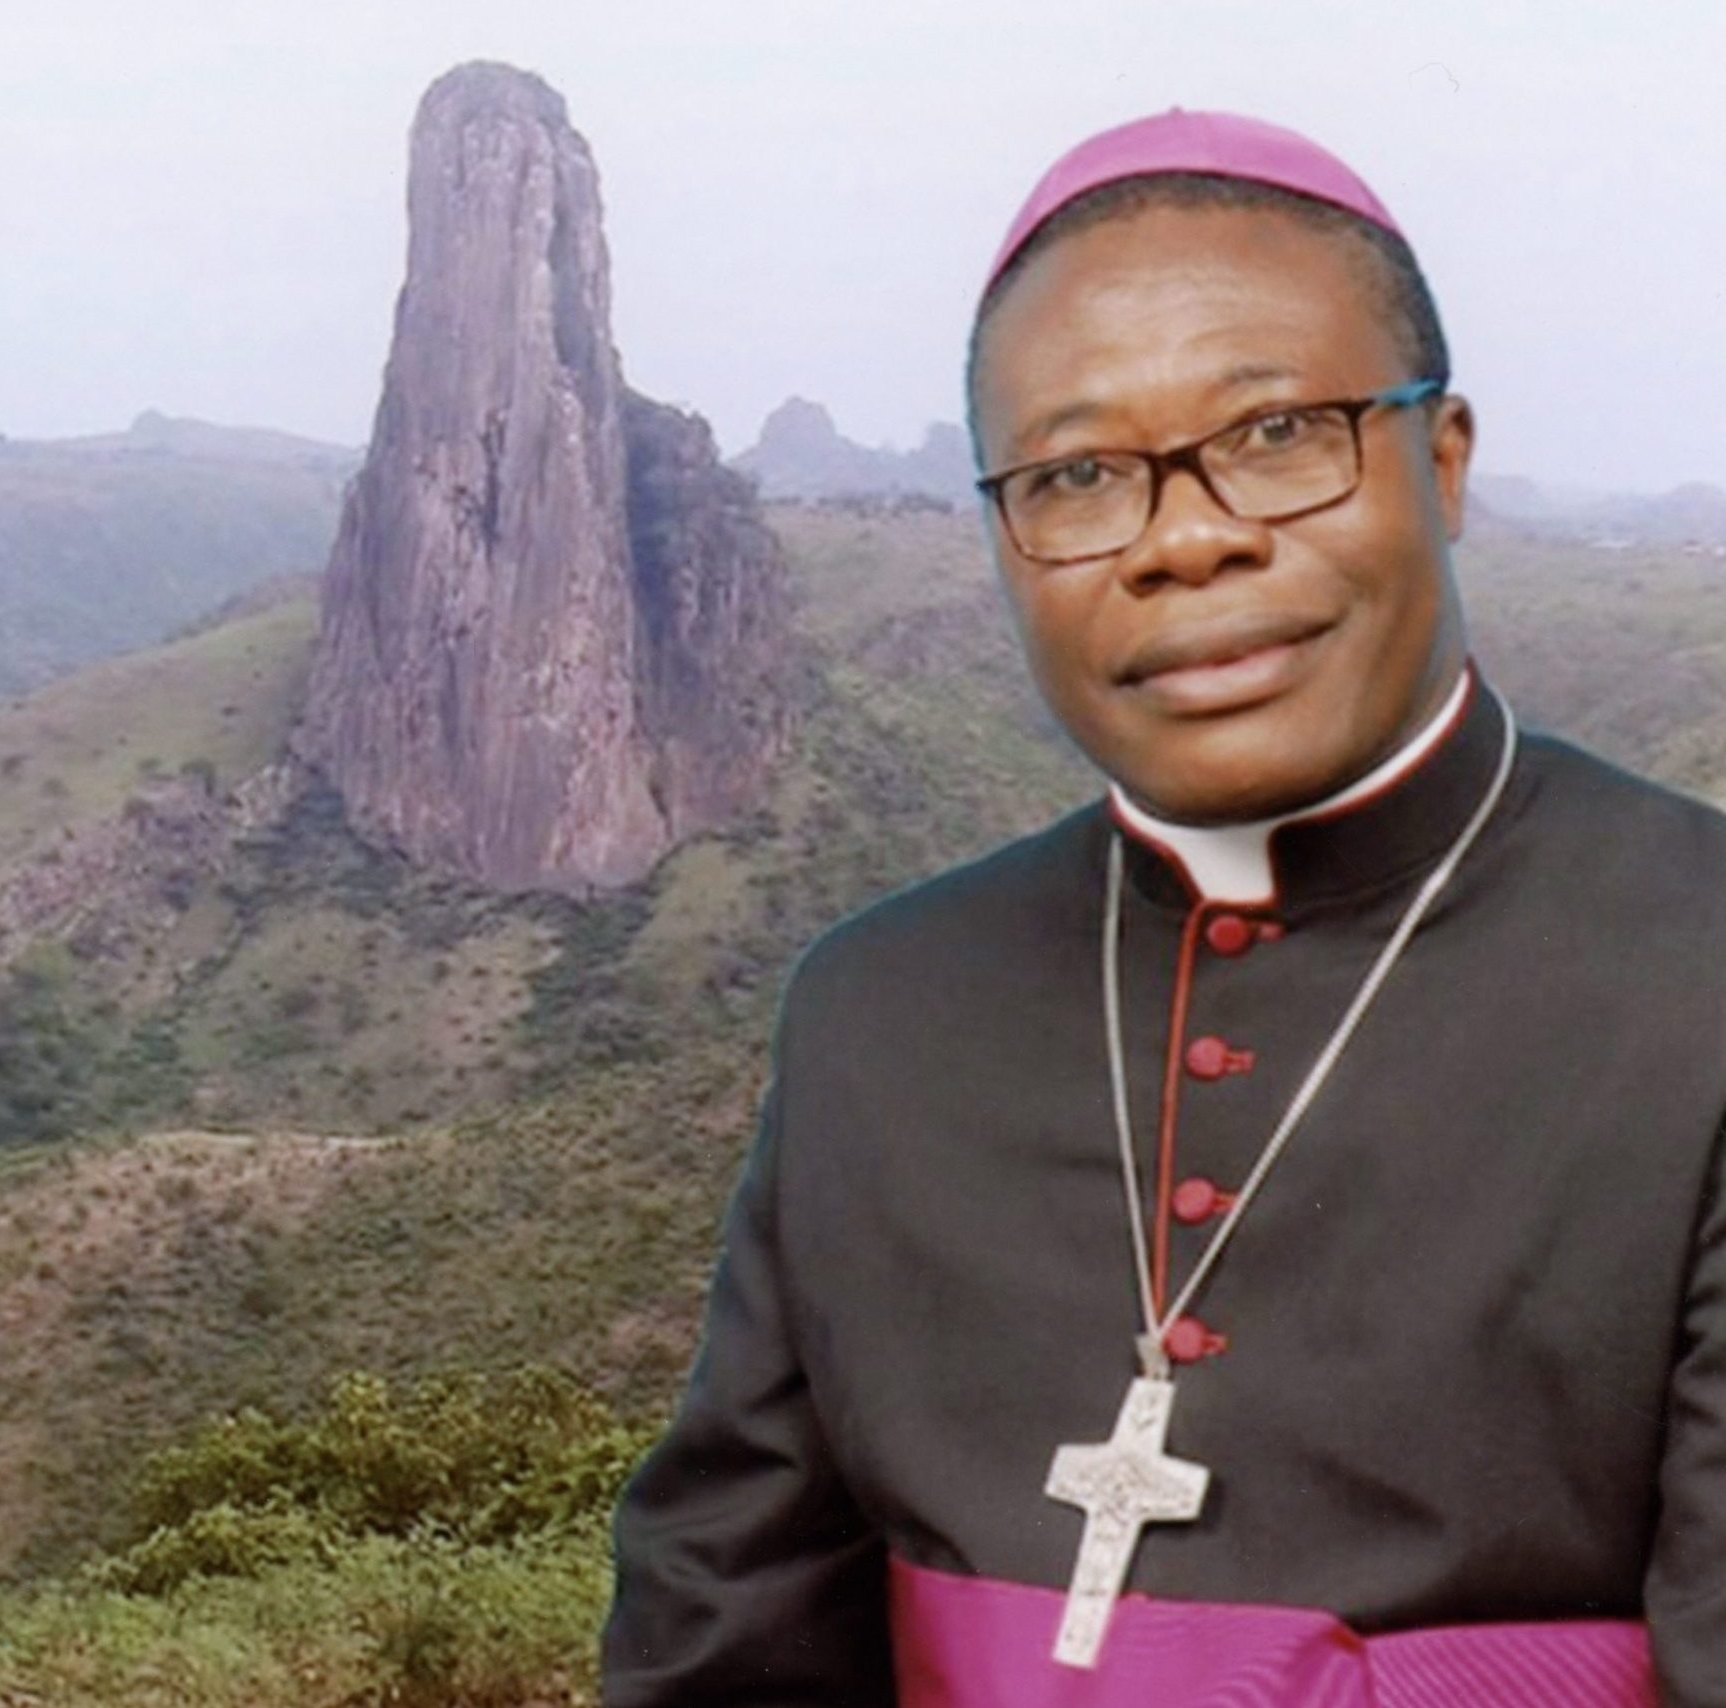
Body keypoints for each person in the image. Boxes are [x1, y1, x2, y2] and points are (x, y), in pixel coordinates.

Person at [598, 107, 1726, 1706]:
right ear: (1004, 538)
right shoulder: (875, 1011)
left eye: (1280, 434)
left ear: (1445, 459)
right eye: (1078, 476)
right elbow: (717, 1641)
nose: (1187, 541)